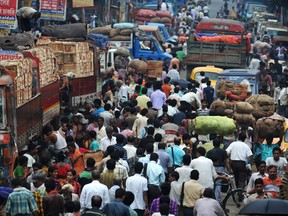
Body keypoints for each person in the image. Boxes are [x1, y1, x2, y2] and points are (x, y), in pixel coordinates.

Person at [226, 132, 253, 198]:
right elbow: (250, 155)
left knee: (236, 177)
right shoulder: (245, 145)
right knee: (242, 179)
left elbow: (227, 151)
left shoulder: (233, 144)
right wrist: (248, 164)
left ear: (238, 137)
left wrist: (229, 159)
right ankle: (240, 192)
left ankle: (238, 190)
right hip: (241, 163)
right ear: (244, 139)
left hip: (233, 163)